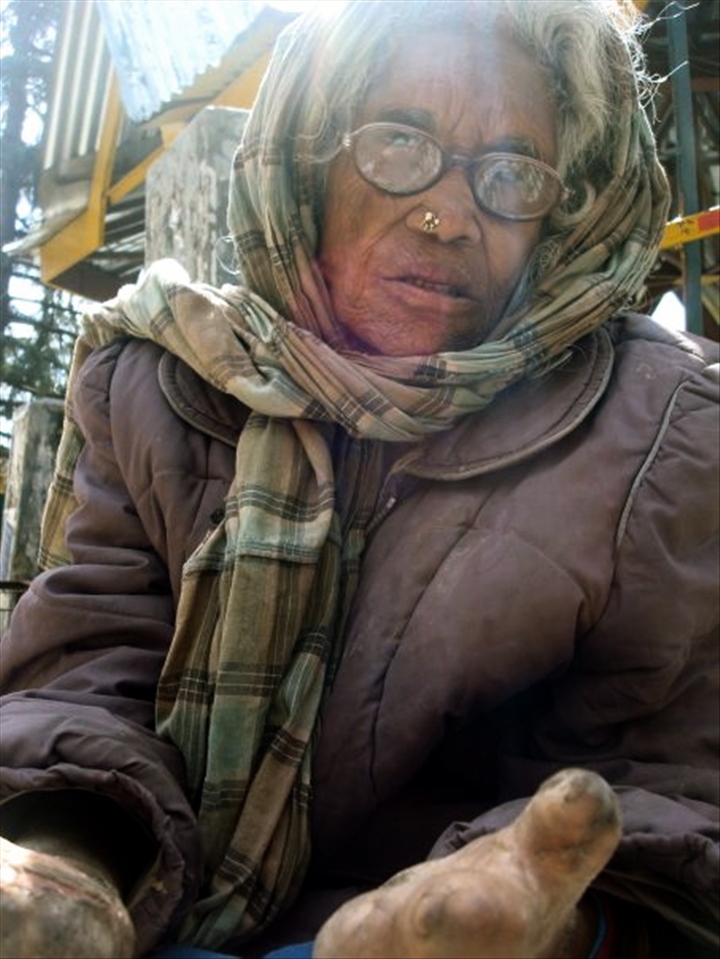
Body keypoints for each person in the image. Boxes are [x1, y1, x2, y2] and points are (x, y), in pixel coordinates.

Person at [0, 0, 717, 957]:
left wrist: (546, 912)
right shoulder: (163, 386)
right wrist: (68, 863)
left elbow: (667, 770)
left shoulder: (665, 431)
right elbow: (92, 666)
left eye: (512, 172)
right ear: (309, 164)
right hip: (151, 910)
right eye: (398, 142)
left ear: (563, 212)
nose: (447, 212)